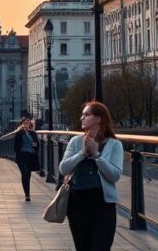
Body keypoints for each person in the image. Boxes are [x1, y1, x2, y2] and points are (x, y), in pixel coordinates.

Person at [59, 101, 122, 251]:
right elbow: (63, 168)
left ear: (98, 119)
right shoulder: (75, 142)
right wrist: (82, 154)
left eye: (86, 114)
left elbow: (115, 175)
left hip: (103, 204)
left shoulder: (114, 144)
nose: (82, 118)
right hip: (77, 203)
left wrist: (97, 155)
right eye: (82, 115)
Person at [14, 117, 40, 201]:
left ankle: (27, 193)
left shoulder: (32, 133)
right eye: (24, 122)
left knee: (28, 175)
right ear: (21, 124)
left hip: (30, 156)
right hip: (21, 156)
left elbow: (37, 145)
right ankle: (27, 195)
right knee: (25, 173)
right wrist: (20, 132)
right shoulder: (19, 133)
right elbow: (16, 147)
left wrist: (34, 145)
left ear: (29, 124)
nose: (26, 124)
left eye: (27, 122)